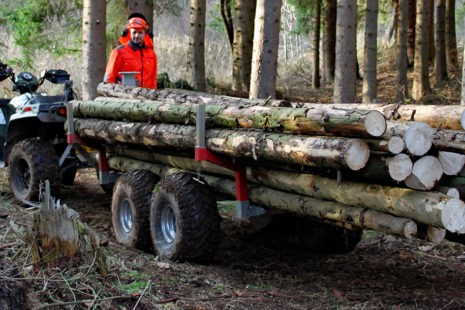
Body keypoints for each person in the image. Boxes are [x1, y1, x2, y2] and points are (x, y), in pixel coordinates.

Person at [104, 14, 157, 89]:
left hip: (147, 96)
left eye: (140, 32)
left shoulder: (151, 54)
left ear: (145, 33)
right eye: (134, 32)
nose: (137, 36)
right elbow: (109, 79)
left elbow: (153, 80)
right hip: (124, 96)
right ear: (129, 33)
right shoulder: (118, 52)